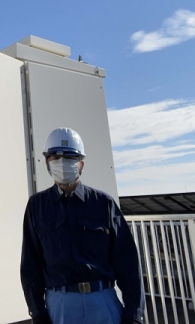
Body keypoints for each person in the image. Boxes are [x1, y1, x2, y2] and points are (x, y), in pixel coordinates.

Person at [20, 127, 143, 324]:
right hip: (59, 304)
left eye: (70, 157)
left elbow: (127, 262)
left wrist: (133, 314)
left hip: (103, 300)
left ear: (81, 164)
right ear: (47, 163)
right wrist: (38, 313)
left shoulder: (103, 203)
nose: (62, 163)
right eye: (55, 157)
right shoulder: (37, 206)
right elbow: (30, 266)